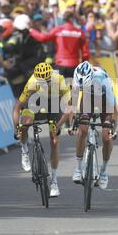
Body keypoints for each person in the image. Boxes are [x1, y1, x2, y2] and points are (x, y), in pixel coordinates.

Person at [12, 63, 71, 197]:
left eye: (48, 81)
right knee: (26, 124)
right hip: (34, 104)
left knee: (54, 141)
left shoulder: (59, 80)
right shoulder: (32, 83)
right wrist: (17, 129)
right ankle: (24, 150)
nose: (45, 84)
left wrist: (59, 125)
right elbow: (17, 107)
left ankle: (54, 181)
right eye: (41, 82)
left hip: (53, 106)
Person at [71, 61, 118, 190]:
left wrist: (112, 127)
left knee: (106, 137)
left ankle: (103, 171)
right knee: (82, 130)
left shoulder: (104, 81)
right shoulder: (77, 79)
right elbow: (73, 102)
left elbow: (113, 109)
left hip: (104, 101)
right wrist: (72, 122)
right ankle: (78, 168)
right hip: (87, 99)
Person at [29, 12, 90, 79]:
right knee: (74, 89)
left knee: (55, 89)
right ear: (72, 19)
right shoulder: (79, 32)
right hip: (74, 65)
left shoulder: (58, 30)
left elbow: (44, 38)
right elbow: (85, 53)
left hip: (60, 65)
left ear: (64, 19)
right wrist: (83, 64)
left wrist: (32, 31)